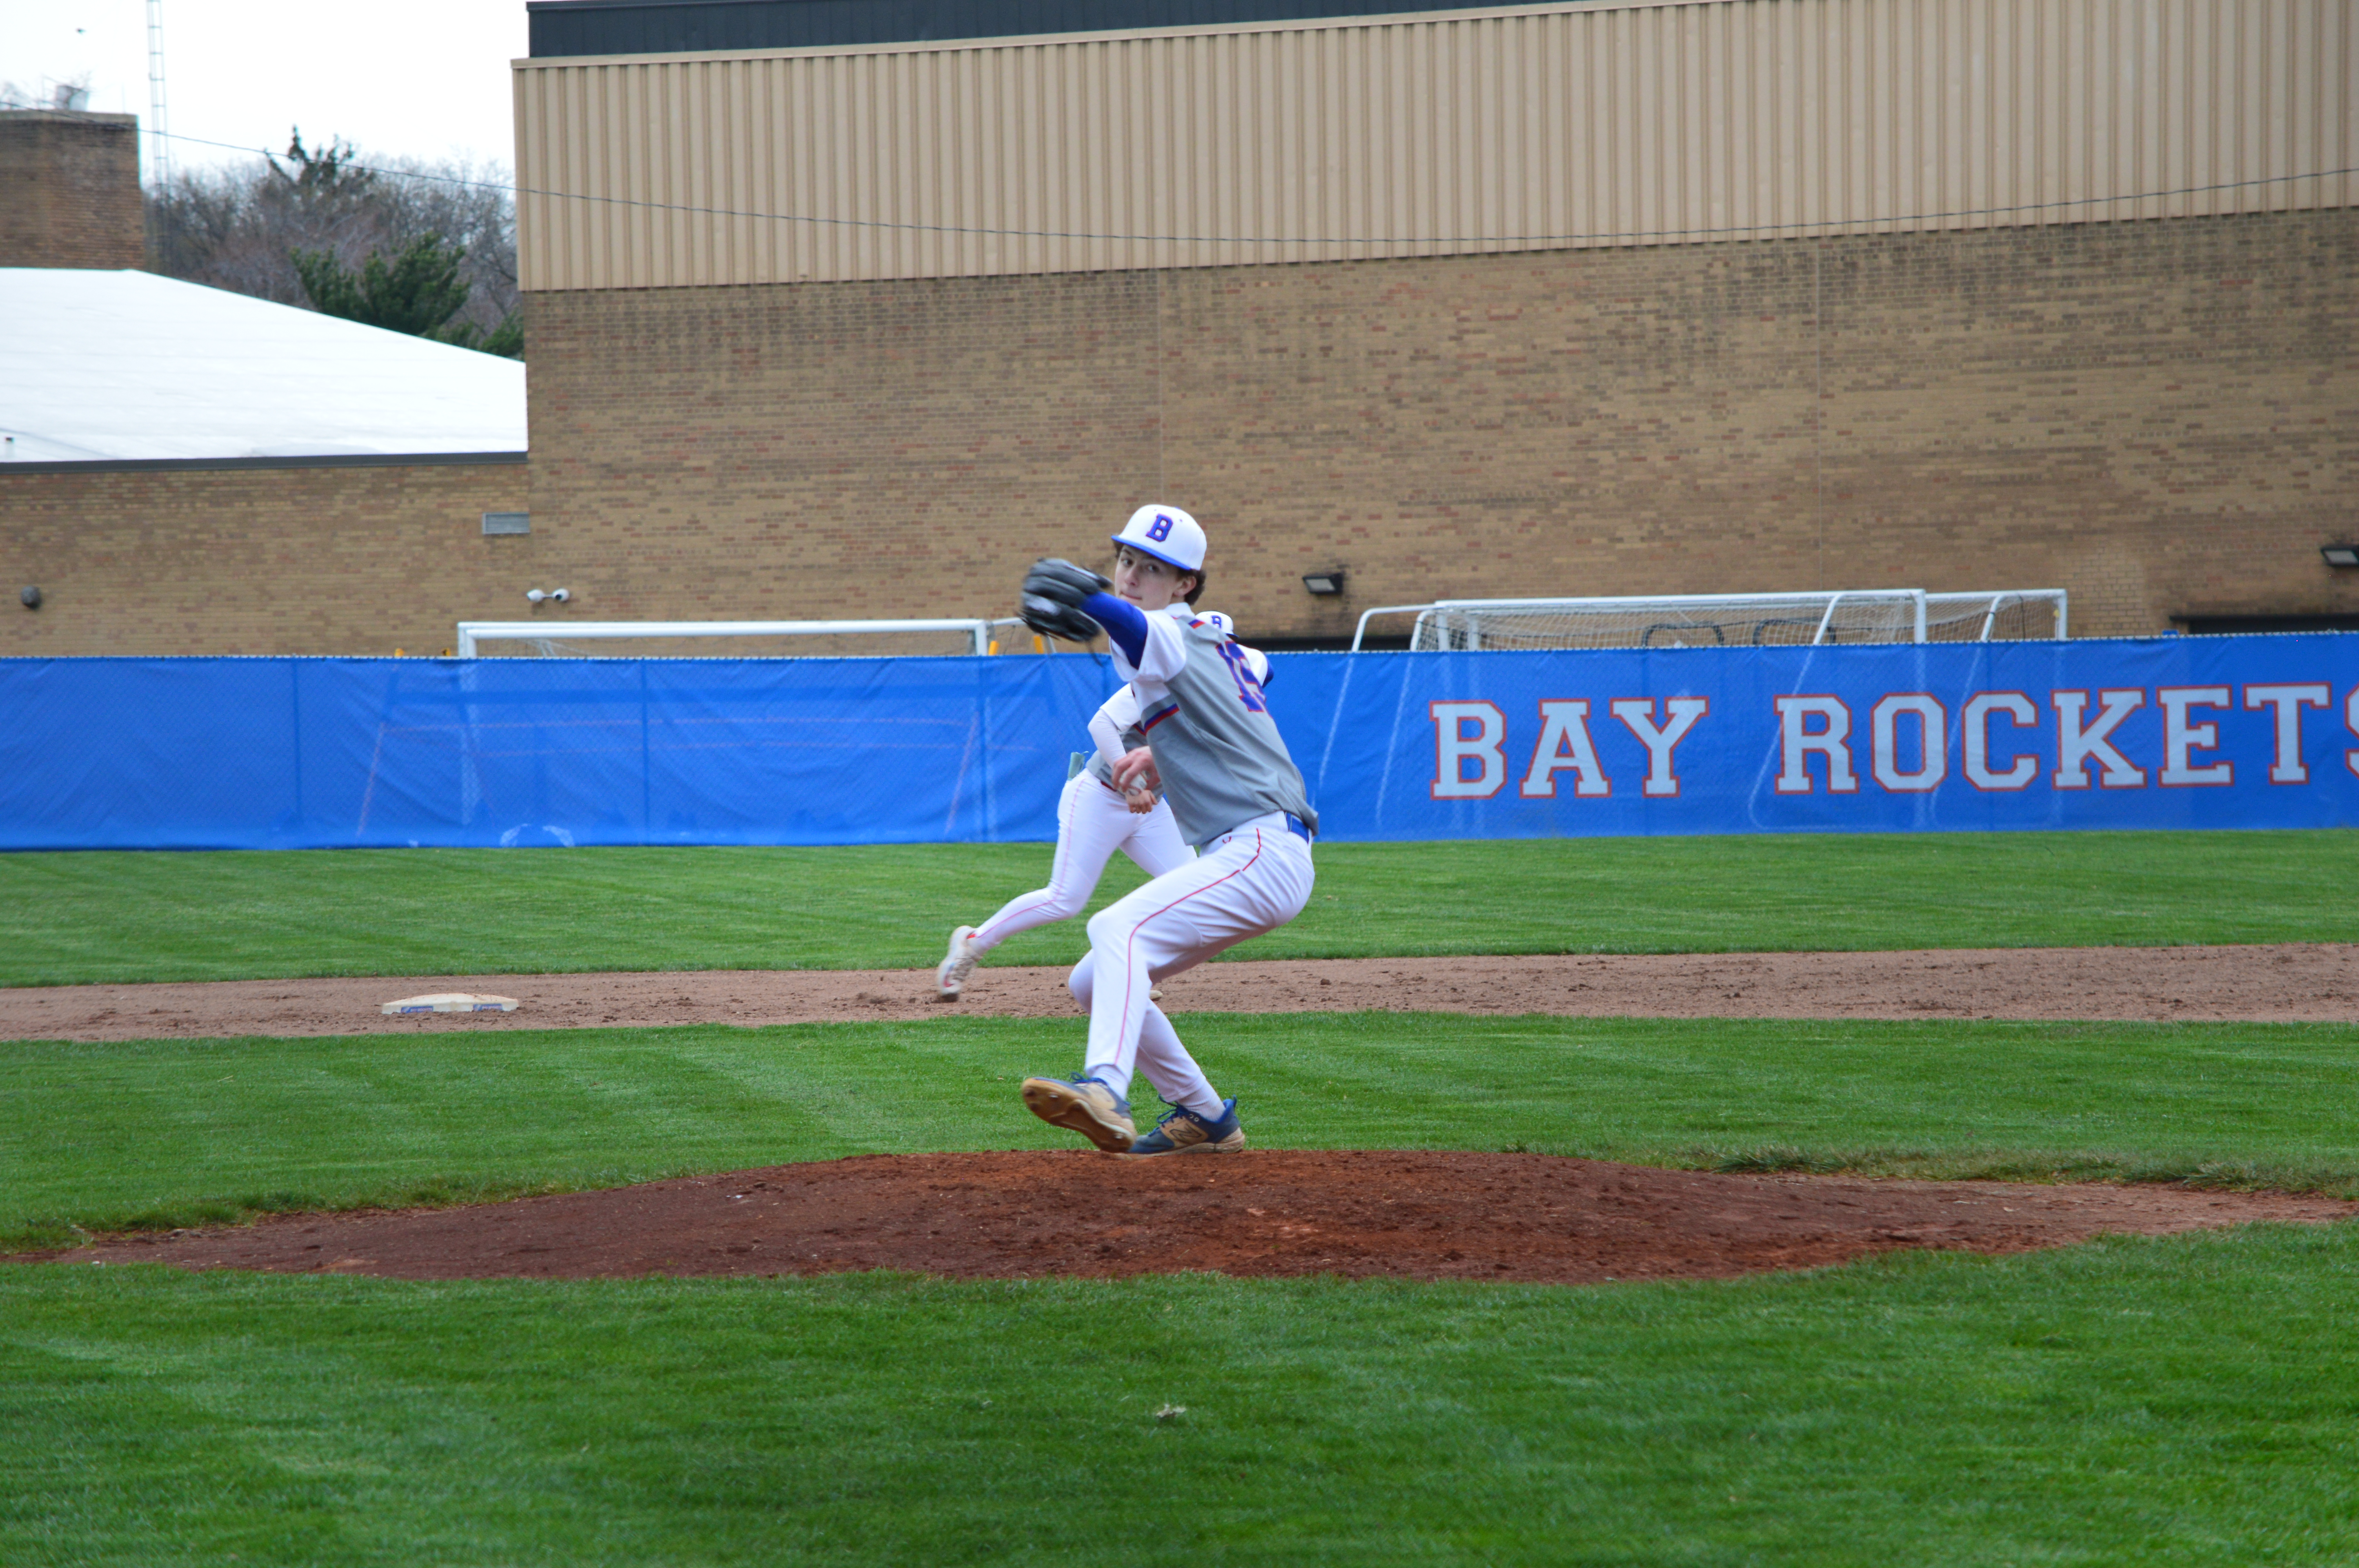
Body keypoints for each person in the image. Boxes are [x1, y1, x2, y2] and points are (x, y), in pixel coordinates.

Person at [1012, 505, 1318, 1157]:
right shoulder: (1215, 641)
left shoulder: (1170, 631)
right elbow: (1257, 673)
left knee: (1113, 927)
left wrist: (1097, 601)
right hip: (1260, 850)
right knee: (1090, 981)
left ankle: (1105, 1088)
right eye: (1125, 561)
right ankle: (1205, 1118)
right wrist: (1162, 750)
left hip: (1261, 849)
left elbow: (1134, 625)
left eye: (1154, 569)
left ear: (1185, 585)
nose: (1131, 576)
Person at [931, 584, 1230, 1000]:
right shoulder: (1157, 681)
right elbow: (1100, 726)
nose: (1215, 655)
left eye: (1221, 648)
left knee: (1187, 886)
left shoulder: (1219, 697)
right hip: (1101, 794)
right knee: (1064, 900)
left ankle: (1128, 967)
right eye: (1207, 646)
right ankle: (972, 944)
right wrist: (1135, 785)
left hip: (1149, 807)